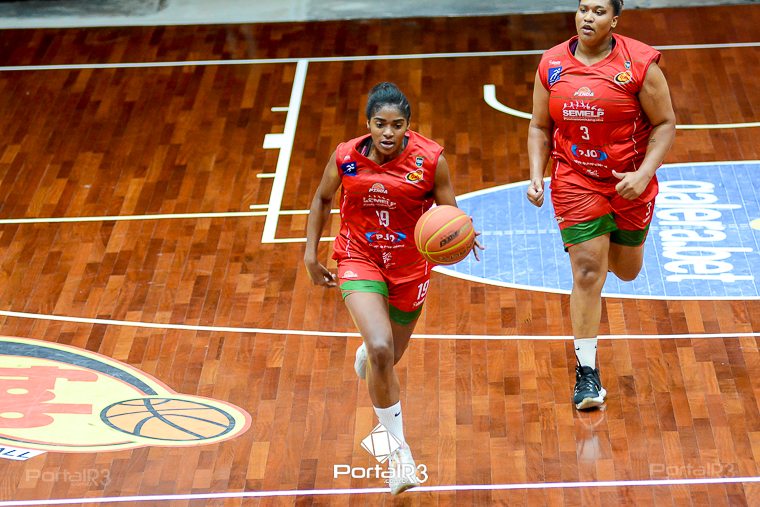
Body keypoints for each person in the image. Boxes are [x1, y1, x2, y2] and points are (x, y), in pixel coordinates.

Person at [304, 82, 482, 494]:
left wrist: (463, 235)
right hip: (359, 257)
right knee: (382, 349)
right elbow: (322, 199)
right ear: (368, 123)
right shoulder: (345, 157)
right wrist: (311, 255)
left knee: (387, 358)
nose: (388, 132)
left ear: (408, 126)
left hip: (409, 267)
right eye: (380, 124)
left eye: (397, 125)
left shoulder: (430, 160)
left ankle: (370, 356)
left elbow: (450, 213)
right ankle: (399, 455)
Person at [526, 0, 676, 410]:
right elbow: (539, 126)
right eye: (582, 9)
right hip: (575, 180)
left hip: (628, 182)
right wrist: (537, 174)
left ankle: (603, 239)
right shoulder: (552, 64)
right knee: (588, 271)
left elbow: (665, 124)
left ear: (615, 20)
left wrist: (643, 174)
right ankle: (587, 373)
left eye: (598, 11)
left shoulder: (639, 64)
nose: (587, 17)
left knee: (626, 270)